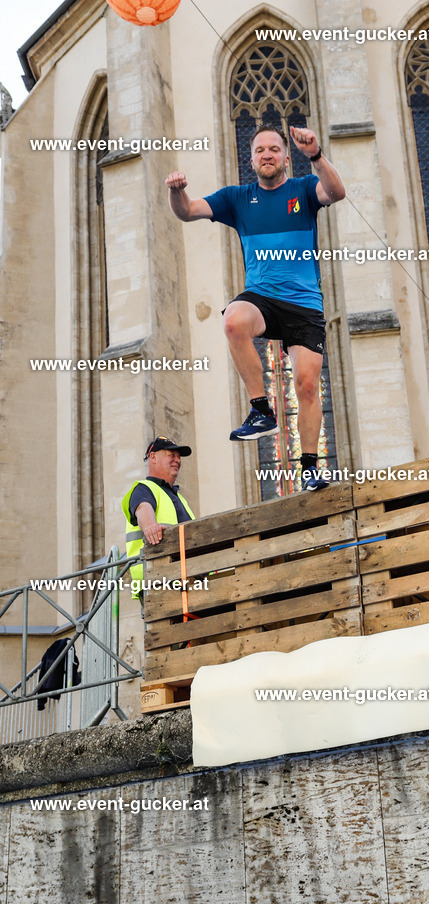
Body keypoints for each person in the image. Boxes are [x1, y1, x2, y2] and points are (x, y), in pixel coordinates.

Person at [165, 124, 346, 491]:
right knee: (233, 320)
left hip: (303, 304)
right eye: (261, 150)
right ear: (251, 159)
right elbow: (187, 212)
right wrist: (176, 191)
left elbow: (336, 192)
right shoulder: (237, 198)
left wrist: (315, 154)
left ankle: (309, 467)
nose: (267, 155)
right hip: (261, 297)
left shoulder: (303, 190)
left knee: (307, 385)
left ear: (285, 157)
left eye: (275, 149)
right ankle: (262, 410)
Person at [121, 436, 195, 601]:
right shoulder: (144, 488)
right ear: (152, 457)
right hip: (156, 581)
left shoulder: (180, 499)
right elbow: (142, 507)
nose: (177, 460)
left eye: (179, 457)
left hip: (185, 580)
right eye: (171, 455)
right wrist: (150, 526)